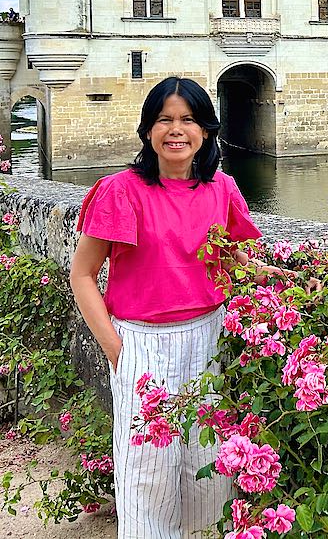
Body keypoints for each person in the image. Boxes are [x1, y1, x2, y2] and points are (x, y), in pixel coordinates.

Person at [69, 76, 298, 538]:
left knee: (207, 463)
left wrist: (282, 279)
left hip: (207, 339)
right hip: (142, 342)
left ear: (206, 131)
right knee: (146, 471)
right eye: (165, 120)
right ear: (148, 131)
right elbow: (83, 275)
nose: (176, 131)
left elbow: (229, 255)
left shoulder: (220, 189)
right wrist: (117, 351)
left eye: (188, 120)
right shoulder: (121, 190)